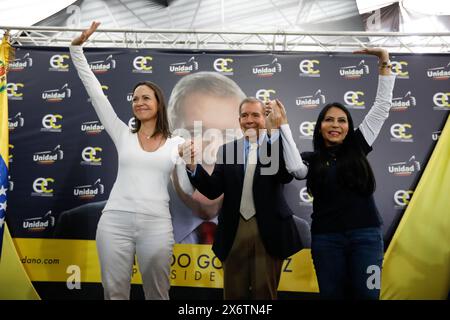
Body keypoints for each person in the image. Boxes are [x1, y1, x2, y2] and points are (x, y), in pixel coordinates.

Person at [69, 21, 194, 300]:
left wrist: (191, 163)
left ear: (158, 103)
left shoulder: (177, 143)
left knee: (158, 294)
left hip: (157, 225)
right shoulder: (122, 132)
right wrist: (76, 48)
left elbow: (187, 188)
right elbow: (95, 91)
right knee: (114, 293)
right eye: (135, 98)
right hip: (114, 222)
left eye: (146, 98)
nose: (139, 102)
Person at [292, 48, 395, 299]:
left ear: (349, 126)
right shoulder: (308, 159)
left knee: (368, 296)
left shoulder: (358, 145)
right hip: (326, 241)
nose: (335, 125)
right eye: (329, 120)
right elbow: (291, 167)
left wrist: (384, 61)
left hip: (367, 239)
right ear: (320, 126)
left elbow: (382, 107)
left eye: (342, 120)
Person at [184, 96, 308, 299]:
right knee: (233, 296)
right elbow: (214, 190)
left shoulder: (276, 146)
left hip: (268, 232)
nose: (249, 119)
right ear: (239, 119)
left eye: (255, 115)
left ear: (265, 118)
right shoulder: (227, 150)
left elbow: (285, 176)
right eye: (244, 115)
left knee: (265, 296)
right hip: (234, 231)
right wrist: (192, 166)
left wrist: (273, 134)